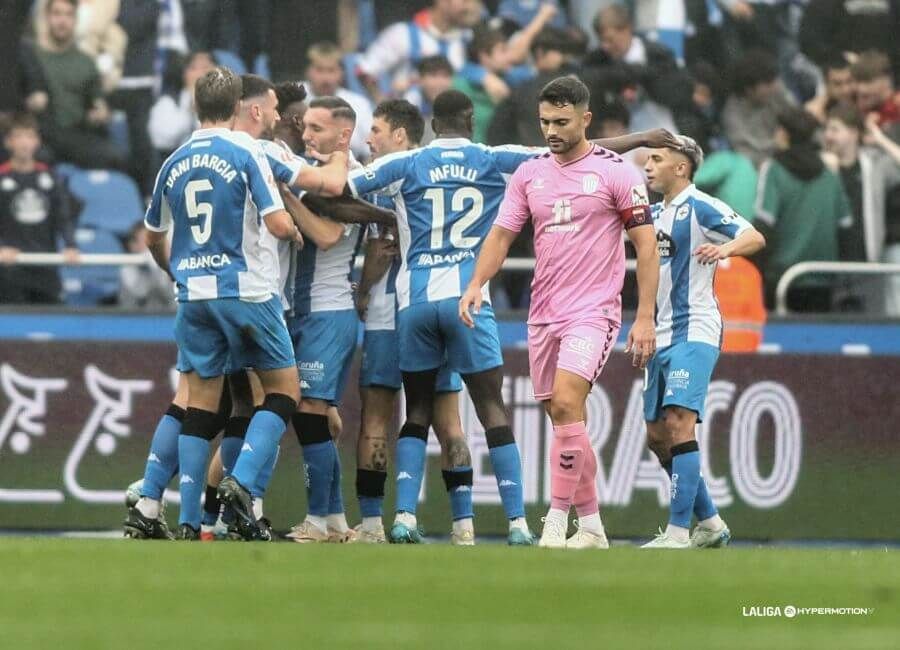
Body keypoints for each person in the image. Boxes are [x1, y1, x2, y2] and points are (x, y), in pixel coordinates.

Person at [459, 76, 659, 550]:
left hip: (593, 310)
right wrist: (475, 284)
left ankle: (555, 519)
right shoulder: (531, 173)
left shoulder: (617, 173)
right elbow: (503, 235)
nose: (551, 129)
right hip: (543, 311)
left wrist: (645, 315)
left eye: (562, 122)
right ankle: (591, 527)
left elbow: (646, 247)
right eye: (545, 120)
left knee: (568, 403)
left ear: (585, 119)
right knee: (564, 419)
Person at [348, 90, 538, 546]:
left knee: (416, 411)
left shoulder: (408, 163)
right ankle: (516, 524)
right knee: (490, 408)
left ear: (433, 123)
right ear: (470, 118)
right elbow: (565, 151)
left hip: (414, 302)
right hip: (468, 300)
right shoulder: (494, 158)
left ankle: (405, 518)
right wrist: (642, 138)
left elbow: (343, 188)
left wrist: (386, 211)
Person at [140, 67, 304, 541]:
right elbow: (275, 223)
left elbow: (152, 237)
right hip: (247, 292)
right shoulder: (247, 150)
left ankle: (189, 521)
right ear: (237, 106)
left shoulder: (173, 161)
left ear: (195, 107)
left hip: (193, 296)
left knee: (198, 402)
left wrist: (177, 271)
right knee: (283, 391)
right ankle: (241, 483)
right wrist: (294, 230)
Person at [354, 98, 475, 545]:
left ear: (401, 136)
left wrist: (363, 288)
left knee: (376, 418)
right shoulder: (441, 176)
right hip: (442, 302)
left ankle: (372, 525)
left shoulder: (388, 177)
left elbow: (337, 200)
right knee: (449, 421)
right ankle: (463, 524)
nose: (370, 140)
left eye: (377, 131)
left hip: (393, 312)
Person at [640, 136, 765, 548]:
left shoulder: (700, 206)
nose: (648, 165)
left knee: (679, 421)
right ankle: (709, 522)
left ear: (681, 167)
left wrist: (725, 248)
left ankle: (677, 532)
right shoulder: (653, 214)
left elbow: (753, 235)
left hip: (695, 328)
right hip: (658, 333)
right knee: (658, 436)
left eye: (657, 159)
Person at [280, 96, 366, 544]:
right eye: (306, 127)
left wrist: (286, 197)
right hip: (301, 311)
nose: (308, 136)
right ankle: (334, 519)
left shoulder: (350, 178)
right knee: (317, 418)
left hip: (329, 312)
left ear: (343, 134)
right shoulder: (314, 174)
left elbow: (329, 236)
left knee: (311, 412)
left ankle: (316, 520)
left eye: (317, 128)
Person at [755, 107, 851, 311]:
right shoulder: (829, 175)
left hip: (783, 280)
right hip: (824, 278)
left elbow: (763, 226)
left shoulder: (773, 170)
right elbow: (845, 225)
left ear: (784, 134)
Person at [24, 0, 125, 171]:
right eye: (57, 14)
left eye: (68, 14)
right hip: (41, 136)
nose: (62, 21)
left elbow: (97, 102)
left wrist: (100, 113)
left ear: (76, 20)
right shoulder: (30, 56)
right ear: (47, 17)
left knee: (114, 156)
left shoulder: (85, 62)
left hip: (78, 135)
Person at [823, 103, 900, 312]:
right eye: (827, 129)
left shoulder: (873, 164)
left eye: (835, 129)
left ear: (853, 133)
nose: (828, 135)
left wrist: (881, 139)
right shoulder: (821, 166)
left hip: (868, 264)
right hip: (830, 266)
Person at [0, 113, 78, 304]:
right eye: (18, 137)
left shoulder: (51, 178)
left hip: (46, 265)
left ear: (37, 141)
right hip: (10, 268)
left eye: (29, 136)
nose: (25, 143)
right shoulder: (2, 177)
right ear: (8, 142)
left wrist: (70, 245)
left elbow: (63, 216)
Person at [722, 49, 794, 168]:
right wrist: (775, 144)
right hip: (760, 165)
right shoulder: (732, 114)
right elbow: (744, 153)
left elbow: (797, 116)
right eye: (768, 83)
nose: (774, 87)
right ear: (749, 88)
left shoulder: (777, 91)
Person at [303, 42, 375, 162]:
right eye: (319, 70)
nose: (326, 78)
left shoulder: (359, 104)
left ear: (341, 73)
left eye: (331, 70)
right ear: (308, 71)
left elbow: (370, 151)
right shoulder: (295, 97)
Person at [148, 52, 217, 158]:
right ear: (184, 74)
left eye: (206, 67)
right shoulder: (169, 102)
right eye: (193, 68)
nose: (200, 74)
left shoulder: (232, 104)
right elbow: (161, 140)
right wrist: (189, 109)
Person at [118, 221, 176, 310]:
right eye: (145, 240)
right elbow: (140, 293)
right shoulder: (127, 269)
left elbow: (171, 297)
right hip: (136, 318)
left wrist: (159, 268)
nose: (151, 246)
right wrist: (152, 267)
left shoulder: (165, 263)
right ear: (132, 245)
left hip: (165, 317)